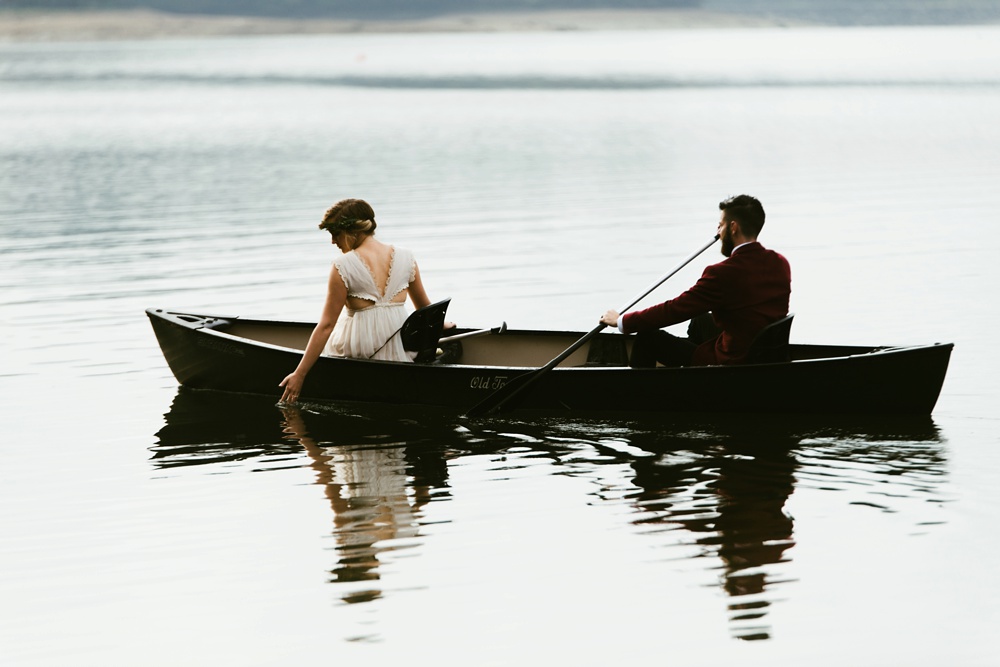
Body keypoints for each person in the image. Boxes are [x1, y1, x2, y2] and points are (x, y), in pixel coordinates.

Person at [279, 198, 444, 403]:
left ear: (352, 232)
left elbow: (326, 325)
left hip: (358, 353)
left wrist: (299, 374)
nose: (333, 241)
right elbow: (425, 309)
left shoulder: (343, 266)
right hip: (401, 350)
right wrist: (444, 323)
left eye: (335, 234)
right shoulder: (406, 257)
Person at [599, 194, 791, 367]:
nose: (718, 230)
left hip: (733, 361)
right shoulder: (780, 263)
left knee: (647, 336)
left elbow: (675, 309)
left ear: (733, 227)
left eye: (721, 224)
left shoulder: (722, 273)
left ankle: (637, 399)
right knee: (700, 319)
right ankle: (689, 373)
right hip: (758, 351)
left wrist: (623, 321)